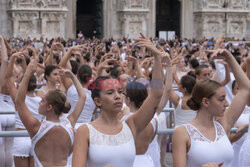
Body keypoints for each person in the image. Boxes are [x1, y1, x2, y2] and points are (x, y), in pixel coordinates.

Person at [72, 34, 163, 167]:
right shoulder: (85, 131)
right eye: (110, 92)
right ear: (98, 101)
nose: (117, 96)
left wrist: (157, 58)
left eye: (120, 92)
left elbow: (156, 95)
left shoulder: (131, 124)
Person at [172, 49, 250, 167]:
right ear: (206, 102)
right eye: (221, 99)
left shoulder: (223, 123)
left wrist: (229, 58)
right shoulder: (182, 133)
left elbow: (245, 89)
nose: (227, 103)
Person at [15, 58, 86, 167]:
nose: (39, 103)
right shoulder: (69, 124)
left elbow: (19, 102)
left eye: (42, 100)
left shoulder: (36, 128)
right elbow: (82, 97)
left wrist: (28, 72)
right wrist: (72, 76)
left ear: (49, 107)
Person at [0, 35, 14, 167]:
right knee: (10, 146)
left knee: (1, 146)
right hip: (12, 111)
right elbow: (7, 57)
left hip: (1, 111)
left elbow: (4, 59)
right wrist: (3, 42)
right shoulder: (15, 76)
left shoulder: (2, 76)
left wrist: (1, 40)